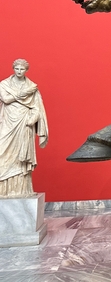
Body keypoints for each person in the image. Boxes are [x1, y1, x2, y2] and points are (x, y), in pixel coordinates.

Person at [0, 59, 48, 197]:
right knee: (3, 152)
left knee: (21, 157)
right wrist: (25, 93)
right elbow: (6, 99)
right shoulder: (4, 84)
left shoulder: (32, 87)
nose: (19, 71)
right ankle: (3, 188)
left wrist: (32, 118)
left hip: (24, 123)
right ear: (13, 69)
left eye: (22, 69)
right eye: (17, 69)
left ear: (26, 70)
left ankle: (21, 189)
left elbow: (37, 108)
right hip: (8, 122)